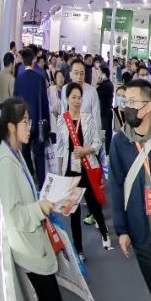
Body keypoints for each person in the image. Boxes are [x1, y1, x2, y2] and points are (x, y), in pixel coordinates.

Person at [0, 97, 93, 301]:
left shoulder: (15, 152)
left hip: (35, 239)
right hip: (28, 246)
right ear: (11, 126)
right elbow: (14, 214)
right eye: (25, 122)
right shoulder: (5, 161)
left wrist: (45, 200)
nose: (30, 126)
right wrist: (41, 207)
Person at [107, 79, 151, 301]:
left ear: (148, 107)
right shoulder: (119, 143)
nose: (127, 107)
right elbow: (116, 186)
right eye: (125, 102)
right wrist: (122, 230)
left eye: (132, 102)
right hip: (141, 233)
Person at [55, 83, 111, 258]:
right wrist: (59, 172)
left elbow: (97, 143)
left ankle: (104, 233)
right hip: (70, 171)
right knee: (74, 212)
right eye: (73, 97)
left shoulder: (87, 119)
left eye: (79, 98)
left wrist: (85, 150)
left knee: (93, 204)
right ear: (67, 98)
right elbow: (60, 148)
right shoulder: (61, 120)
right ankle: (79, 249)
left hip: (87, 168)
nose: (77, 101)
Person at [14, 47, 50, 186]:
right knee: (39, 156)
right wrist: (47, 125)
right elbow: (45, 103)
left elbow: (15, 102)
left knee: (24, 153)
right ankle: (42, 185)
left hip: (23, 123)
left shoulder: (18, 79)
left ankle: (28, 181)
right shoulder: (40, 79)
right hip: (38, 122)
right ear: (34, 60)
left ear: (23, 61)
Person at [96, 66, 114, 152]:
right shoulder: (107, 84)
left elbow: (97, 94)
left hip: (105, 113)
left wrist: (98, 84)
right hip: (105, 112)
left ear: (103, 74)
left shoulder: (106, 85)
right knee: (106, 133)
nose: (98, 74)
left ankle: (106, 152)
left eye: (99, 72)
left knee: (105, 134)